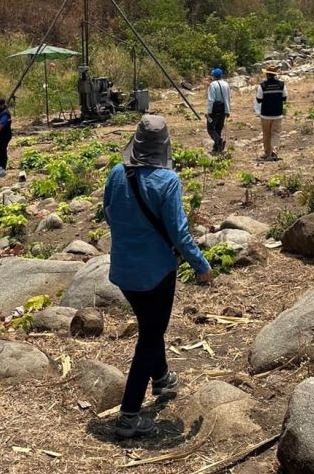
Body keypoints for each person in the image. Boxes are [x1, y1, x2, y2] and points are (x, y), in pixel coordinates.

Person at [104, 115, 212, 439]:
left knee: (150, 326)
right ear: (165, 144)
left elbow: (108, 212)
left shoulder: (117, 173)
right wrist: (202, 266)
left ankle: (162, 378)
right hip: (156, 273)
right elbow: (179, 233)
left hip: (123, 271)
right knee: (150, 337)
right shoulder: (168, 181)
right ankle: (129, 416)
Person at [254, 65, 288, 161]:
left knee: (266, 134)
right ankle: (274, 152)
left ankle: (267, 153)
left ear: (267, 74)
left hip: (265, 114)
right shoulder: (281, 84)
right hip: (278, 114)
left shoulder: (262, 85)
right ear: (275, 74)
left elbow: (259, 99)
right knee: (276, 133)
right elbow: (285, 97)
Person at [205, 68, 231, 154]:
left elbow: (211, 99)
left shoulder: (213, 85)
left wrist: (209, 112)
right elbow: (228, 98)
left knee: (210, 128)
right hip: (223, 107)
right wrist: (228, 110)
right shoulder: (226, 84)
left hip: (215, 108)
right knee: (219, 127)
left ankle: (219, 141)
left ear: (213, 76)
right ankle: (217, 148)